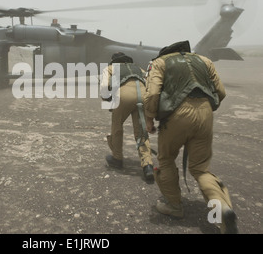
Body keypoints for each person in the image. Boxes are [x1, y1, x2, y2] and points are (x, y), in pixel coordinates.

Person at [143, 40, 238, 234]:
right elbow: (221, 92)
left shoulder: (161, 63)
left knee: (166, 159)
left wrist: (150, 119)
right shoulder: (204, 60)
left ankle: (174, 207)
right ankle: (221, 208)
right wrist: (206, 108)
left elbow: (152, 94)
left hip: (175, 116)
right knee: (201, 169)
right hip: (205, 113)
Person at [100, 52, 154, 182]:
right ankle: (147, 164)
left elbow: (104, 87)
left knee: (117, 126)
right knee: (141, 130)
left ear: (113, 61)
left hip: (124, 96)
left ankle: (117, 158)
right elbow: (149, 83)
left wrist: (107, 99)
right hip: (143, 95)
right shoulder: (138, 68)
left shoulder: (110, 68)